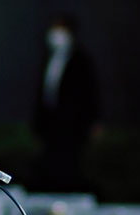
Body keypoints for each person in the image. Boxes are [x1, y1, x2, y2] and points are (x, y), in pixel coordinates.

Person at [33, 13, 98, 192]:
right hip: (51, 126)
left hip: (73, 127)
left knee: (70, 166)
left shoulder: (81, 60)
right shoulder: (49, 59)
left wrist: (90, 122)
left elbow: (90, 93)